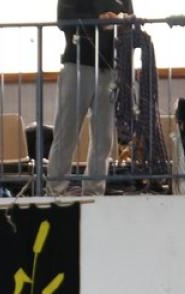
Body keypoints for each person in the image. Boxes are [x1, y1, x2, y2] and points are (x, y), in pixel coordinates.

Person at [48, 0, 131, 197]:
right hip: (77, 65)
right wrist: (98, 20)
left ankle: (94, 190)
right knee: (66, 131)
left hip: (110, 68)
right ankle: (56, 190)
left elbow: (130, 20)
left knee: (104, 137)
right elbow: (63, 19)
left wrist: (124, 22)